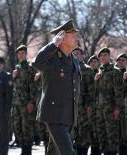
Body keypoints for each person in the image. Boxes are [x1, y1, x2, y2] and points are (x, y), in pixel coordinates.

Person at [32, 19, 80, 155]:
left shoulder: (74, 60)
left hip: (68, 114)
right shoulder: (51, 58)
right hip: (53, 114)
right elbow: (37, 62)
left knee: (54, 152)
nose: (77, 38)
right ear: (63, 39)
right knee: (68, 151)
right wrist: (53, 44)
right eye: (73, 36)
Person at [94, 47, 124, 155]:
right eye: (101, 55)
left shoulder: (115, 71)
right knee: (101, 134)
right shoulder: (99, 71)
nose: (103, 57)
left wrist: (117, 108)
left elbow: (119, 92)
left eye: (105, 55)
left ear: (109, 56)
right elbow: (96, 91)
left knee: (112, 135)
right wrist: (96, 81)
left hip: (111, 108)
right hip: (100, 108)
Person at [12, 45, 36, 155]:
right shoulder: (17, 67)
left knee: (27, 128)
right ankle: (23, 148)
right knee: (17, 127)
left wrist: (31, 102)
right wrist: (13, 77)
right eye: (19, 53)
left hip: (26, 103)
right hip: (16, 102)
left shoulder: (30, 68)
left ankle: (27, 152)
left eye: (22, 53)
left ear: (26, 54)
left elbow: (32, 86)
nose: (20, 55)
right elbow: (15, 86)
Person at [115, 53, 127, 155]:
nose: (120, 62)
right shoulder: (113, 73)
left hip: (126, 108)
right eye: (119, 60)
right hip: (114, 108)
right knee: (116, 135)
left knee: (125, 135)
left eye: (123, 60)